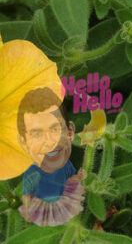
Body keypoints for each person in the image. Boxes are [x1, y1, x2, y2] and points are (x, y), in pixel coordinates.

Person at [17, 87, 86, 227]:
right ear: (23, 142)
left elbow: (71, 180)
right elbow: (26, 194)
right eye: (37, 133)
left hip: (63, 202)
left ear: (70, 132)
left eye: (55, 129)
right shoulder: (32, 172)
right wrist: (28, 212)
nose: (50, 142)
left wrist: (80, 176)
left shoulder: (65, 164)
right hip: (40, 206)